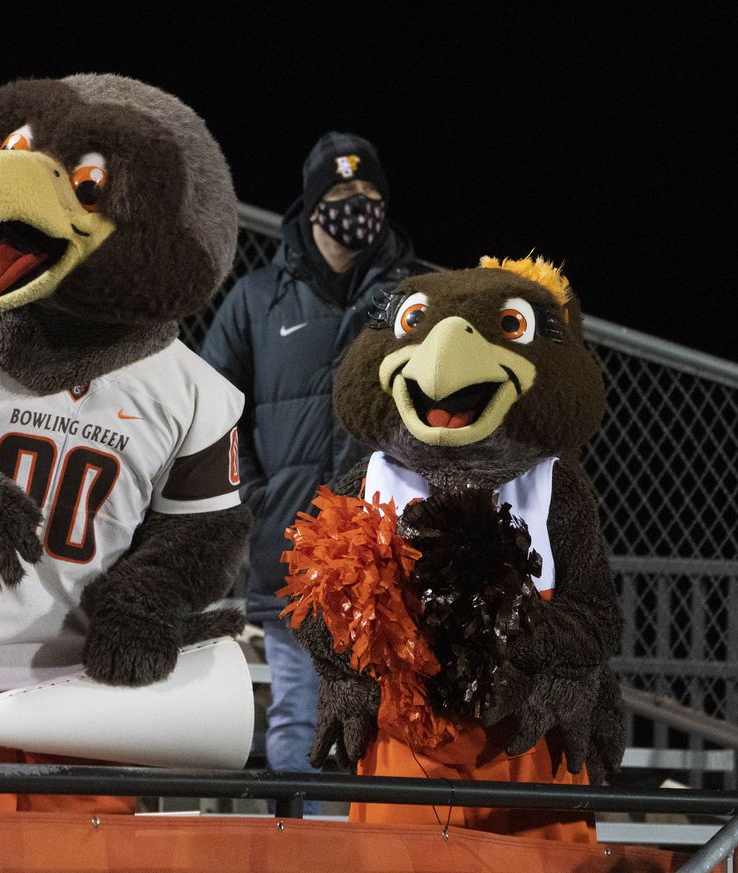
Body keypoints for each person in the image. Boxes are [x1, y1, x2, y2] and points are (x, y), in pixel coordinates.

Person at [201, 132, 420, 791]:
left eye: (371, 193)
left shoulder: (415, 297)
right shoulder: (258, 298)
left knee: (388, 723)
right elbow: (212, 408)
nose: (360, 204)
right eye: (344, 193)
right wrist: (254, 497)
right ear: (315, 203)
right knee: (299, 721)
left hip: (392, 557)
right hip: (293, 553)